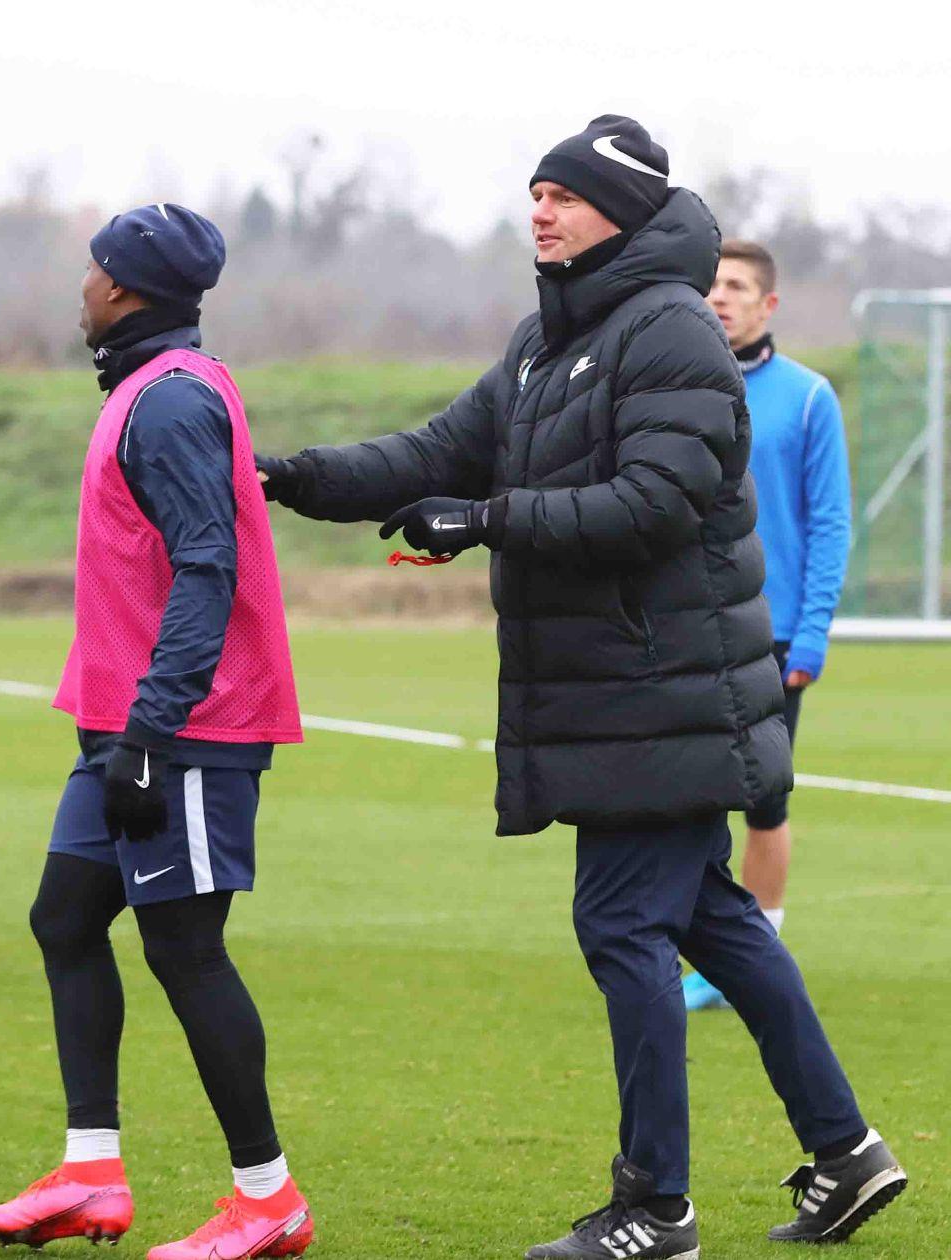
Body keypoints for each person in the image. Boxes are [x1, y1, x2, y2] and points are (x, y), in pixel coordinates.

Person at [258, 117, 905, 1256]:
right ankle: (847, 1153)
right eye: (535, 193)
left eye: (561, 194)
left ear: (623, 212)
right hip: (625, 697)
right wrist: (284, 476)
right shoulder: (544, 339)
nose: (540, 211)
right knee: (715, 921)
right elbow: (433, 454)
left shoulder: (672, 331)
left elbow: (652, 502)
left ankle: (655, 1206)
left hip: (660, 693)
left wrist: (486, 520)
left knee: (620, 923)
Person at [0, 204, 313, 1258]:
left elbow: (208, 568)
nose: (81, 283)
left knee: (185, 949)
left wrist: (154, 729)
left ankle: (268, 1199)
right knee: (65, 920)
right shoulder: (145, 387)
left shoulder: (167, 401)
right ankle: (89, 1172)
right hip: (123, 725)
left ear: (121, 287)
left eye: (93, 267)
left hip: (184, 729)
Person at [681, 241, 852, 1013]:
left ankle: (751, 958)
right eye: (710, 284)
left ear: (768, 304)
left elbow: (830, 523)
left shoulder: (809, 398)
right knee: (684, 797)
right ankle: (697, 947)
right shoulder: (675, 387)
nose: (719, 297)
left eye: (737, 286)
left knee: (762, 803)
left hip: (772, 638)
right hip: (688, 627)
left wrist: (811, 635)